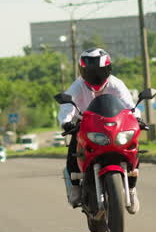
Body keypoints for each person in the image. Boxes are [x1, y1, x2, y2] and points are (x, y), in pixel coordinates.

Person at [57, 48, 143, 213]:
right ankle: (75, 185)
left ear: (108, 70)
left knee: (133, 145)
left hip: (113, 125)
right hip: (85, 125)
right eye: (90, 72)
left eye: (100, 72)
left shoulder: (116, 84)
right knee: (74, 146)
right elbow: (67, 106)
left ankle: (131, 188)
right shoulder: (77, 86)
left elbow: (129, 105)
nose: (95, 76)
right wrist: (66, 122)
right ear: (83, 71)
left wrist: (137, 118)